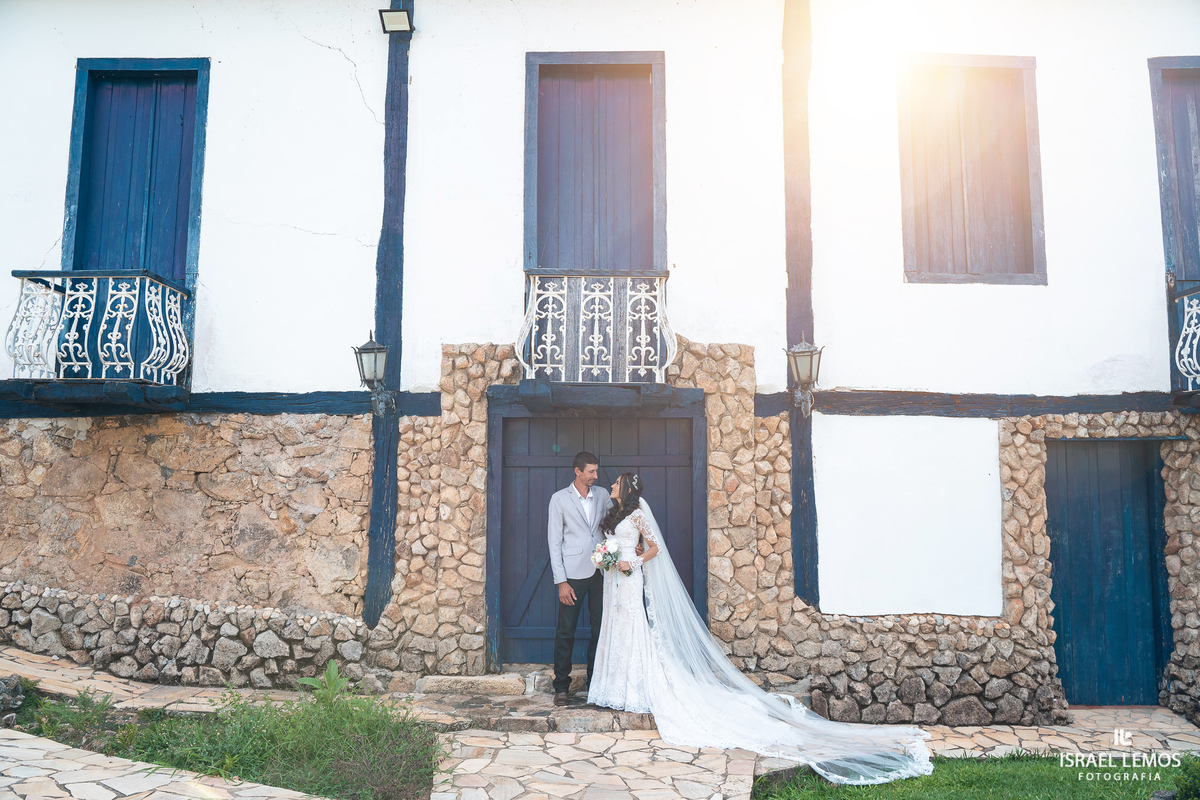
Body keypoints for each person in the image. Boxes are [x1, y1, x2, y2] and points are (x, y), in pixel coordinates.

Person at [588, 472, 934, 786]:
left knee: (633, 628)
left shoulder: (637, 515)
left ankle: (634, 689)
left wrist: (629, 560)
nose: (612, 486)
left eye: (616, 483)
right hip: (614, 582)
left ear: (628, 488)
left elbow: (655, 549)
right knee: (615, 629)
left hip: (630, 579)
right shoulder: (616, 515)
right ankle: (615, 688)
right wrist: (609, 558)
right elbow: (622, 543)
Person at [546, 451, 613, 706]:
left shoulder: (603, 495)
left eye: (596, 471)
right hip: (572, 575)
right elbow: (554, 542)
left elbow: (612, 526)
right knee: (566, 631)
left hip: (601, 572)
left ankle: (595, 682)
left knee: (600, 629)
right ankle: (561, 686)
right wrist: (561, 581)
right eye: (591, 472)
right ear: (577, 471)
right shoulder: (559, 499)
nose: (596, 476)